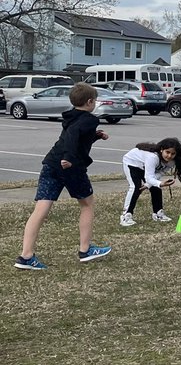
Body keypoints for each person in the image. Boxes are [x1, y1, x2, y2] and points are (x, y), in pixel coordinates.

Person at [15, 83, 112, 270]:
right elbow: (73, 137)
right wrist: (68, 158)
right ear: (90, 102)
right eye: (95, 100)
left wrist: (96, 136)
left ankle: (26, 256)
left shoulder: (70, 116)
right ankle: (85, 250)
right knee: (87, 204)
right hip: (70, 167)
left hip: (51, 163)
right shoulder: (89, 119)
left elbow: (75, 136)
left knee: (41, 209)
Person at [120, 137, 181, 226]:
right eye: (167, 152)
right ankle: (126, 216)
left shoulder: (172, 161)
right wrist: (160, 183)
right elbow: (149, 177)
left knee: (155, 188)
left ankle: (158, 213)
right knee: (135, 187)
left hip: (144, 166)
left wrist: (148, 185)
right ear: (161, 150)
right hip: (132, 162)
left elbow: (160, 173)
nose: (169, 156)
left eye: (173, 154)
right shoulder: (153, 157)